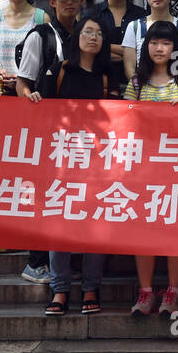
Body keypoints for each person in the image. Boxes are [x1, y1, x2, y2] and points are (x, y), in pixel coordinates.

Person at [124, 20, 178, 318]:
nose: (160, 48)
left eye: (166, 43)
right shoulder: (136, 82)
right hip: (144, 170)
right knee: (143, 231)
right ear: (146, 47)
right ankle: (145, 292)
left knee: (175, 231)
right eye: (154, 42)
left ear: (176, 49)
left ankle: (173, 291)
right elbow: (125, 122)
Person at [14, 0, 86, 285]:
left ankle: (70, 258)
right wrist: (30, 99)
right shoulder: (40, 36)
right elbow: (22, 82)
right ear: (52, 2)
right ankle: (36, 261)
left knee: (73, 193)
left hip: (80, 132)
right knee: (47, 194)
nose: (70, 2)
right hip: (48, 131)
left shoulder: (86, 34)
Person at [44, 18, 113, 317]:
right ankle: (59, 289)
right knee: (60, 227)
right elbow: (42, 111)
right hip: (62, 159)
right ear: (77, 36)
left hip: (97, 161)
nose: (93, 38)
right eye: (88, 32)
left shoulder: (107, 77)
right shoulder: (59, 70)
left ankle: (90, 287)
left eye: (99, 34)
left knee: (93, 227)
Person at [82, 0, 144, 98]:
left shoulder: (141, 15)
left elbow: (143, 51)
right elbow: (86, 48)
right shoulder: (92, 14)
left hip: (135, 84)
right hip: (99, 82)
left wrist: (105, 47)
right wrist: (129, 54)